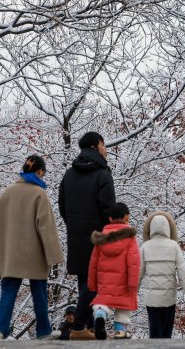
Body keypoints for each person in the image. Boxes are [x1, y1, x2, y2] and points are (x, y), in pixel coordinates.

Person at [0, 155, 64, 340]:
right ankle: (43, 331)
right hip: (34, 253)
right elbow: (46, 227)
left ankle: (0, 330)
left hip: (11, 252)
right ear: (39, 171)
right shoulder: (39, 193)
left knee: (8, 291)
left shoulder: (7, 192)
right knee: (39, 292)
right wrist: (54, 256)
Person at [58, 131, 116, 340]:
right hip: (98, 236)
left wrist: (74, 224)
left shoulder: (69, 174)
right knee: (95, 283)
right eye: (104, 144)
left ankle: (90, 328)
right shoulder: (102, 174)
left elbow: (62, 206)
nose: (105, 149)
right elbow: (108, 209)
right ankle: (80, 325)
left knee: (85, 280)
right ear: (95, 146)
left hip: (75, 233)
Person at [88, 202, 140, 340]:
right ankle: (120, 331)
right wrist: (133, 284)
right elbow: (134, 263)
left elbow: (93, 263)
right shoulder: (130, 238)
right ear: (126, 217)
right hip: (123, 281)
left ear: (110, 219)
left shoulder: (101, 238)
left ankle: (100, 314)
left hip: (104, 281)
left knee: (103, 301)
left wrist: (92, 284)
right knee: (123, 305)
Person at [139, 211, 185, 338]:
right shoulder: (173, 246)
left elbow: (139, 271)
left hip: (151, 298)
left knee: (154, 329)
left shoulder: (145, 247)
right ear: (168, 227)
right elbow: (182, 271)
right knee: (166, 331)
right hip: (168, 297)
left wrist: (133, 290)